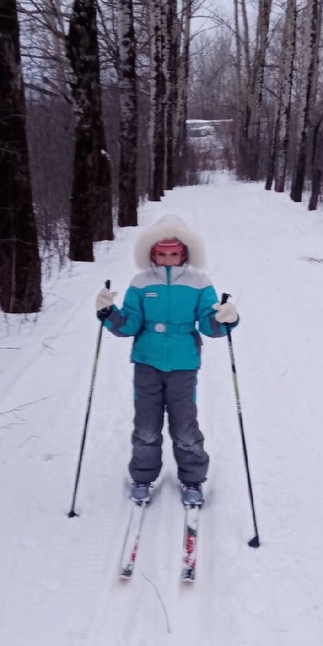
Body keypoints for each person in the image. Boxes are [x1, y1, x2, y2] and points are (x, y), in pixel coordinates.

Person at [95, 214, 238, 507]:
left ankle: (193, 478)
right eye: (162, 254)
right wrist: (109, 314)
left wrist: (226, 320)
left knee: (184, 427)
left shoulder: (200, 282)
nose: (168, 259)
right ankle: (143, 475)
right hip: (147, 362)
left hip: (184, 363)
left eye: (174, 254)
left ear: (184, 253)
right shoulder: (140, 283)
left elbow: (210, 325)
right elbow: (129, 325)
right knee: (146, 426)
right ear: (152, 254)